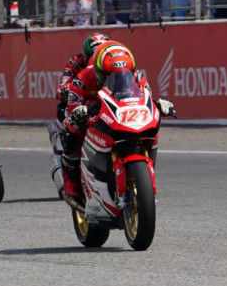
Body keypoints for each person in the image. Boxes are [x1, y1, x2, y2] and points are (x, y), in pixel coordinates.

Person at [59, 41, 176, 204]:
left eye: (123, 73)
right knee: (72, 131)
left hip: (118, 111)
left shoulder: (138, 77)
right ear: (99, 71)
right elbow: (72, 112)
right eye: (110, 75)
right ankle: (71, 182)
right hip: (91, 111)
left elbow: (145, 99)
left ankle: (140, 177)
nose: (118, 77)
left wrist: (159, 104)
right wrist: (80, 112)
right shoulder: (82, 80)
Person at [55, 32, 111, 122]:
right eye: (93, 57)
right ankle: (67, 132)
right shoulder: (75, 62)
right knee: (63, 107)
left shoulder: (112, 65)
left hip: (105, 101)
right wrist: (71, 87)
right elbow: (60, 91)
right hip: (83, 100)